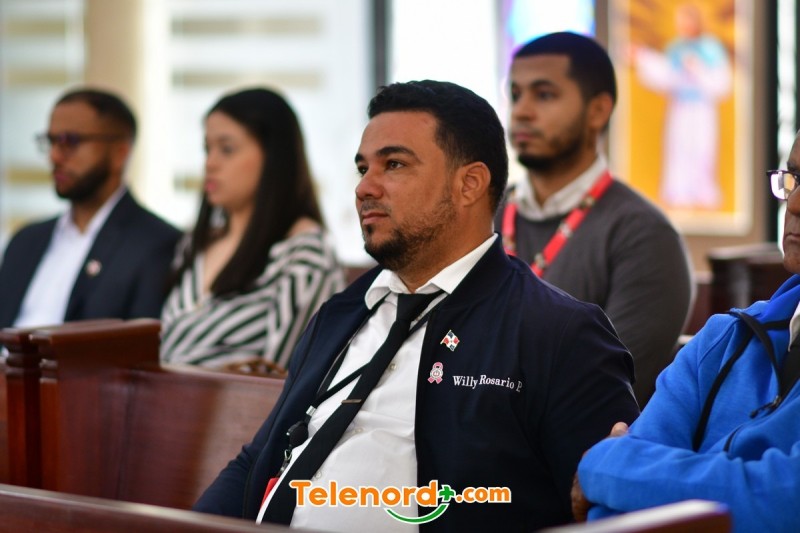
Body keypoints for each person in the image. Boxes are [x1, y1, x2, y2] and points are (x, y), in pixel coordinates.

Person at [193, 80, 639, 531]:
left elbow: (612, 507)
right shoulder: (341, 313)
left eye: (394, 164)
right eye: (363, 168)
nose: (365, 187)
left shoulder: (558, 334)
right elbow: (259, 460)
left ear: (469, 184)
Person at [571, 131, 800, 533]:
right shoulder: (724, 338)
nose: (794, 203)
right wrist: (621, 477)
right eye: (793, 178)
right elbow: (609, 512)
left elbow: (784, 501)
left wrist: (603, 463)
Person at [500, 31, 693, 406]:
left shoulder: (645, 236)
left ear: (598, 111)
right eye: (515, 94)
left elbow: (604, 392)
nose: (521, 111)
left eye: (544, 95)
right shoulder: (479, 215)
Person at [159, 88, 345, 371]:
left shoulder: (305, 253)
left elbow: (278, 377)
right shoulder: (196, 242)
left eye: (227, 149)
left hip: (238, 401)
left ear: (274, 157)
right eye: (207, 149)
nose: (210, 163)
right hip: (157, 396)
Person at [0, 87, 180, 329]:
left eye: (70, 141)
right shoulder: (26, 240)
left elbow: (139, 346)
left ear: (120, 153)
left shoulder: (156, 244)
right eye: (51, 141)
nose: (54, 156)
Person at [629, 3, 732, 209]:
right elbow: (667, 76)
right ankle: (679, 194)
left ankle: (702, 193)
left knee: (701, 150)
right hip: (680, 108)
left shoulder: (710, 48)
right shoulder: (676, 48)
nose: (682, 24)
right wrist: (643, 57)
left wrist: (698, 70)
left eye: (686, 20)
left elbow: (722, 83)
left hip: (701, 110)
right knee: (679, 150)